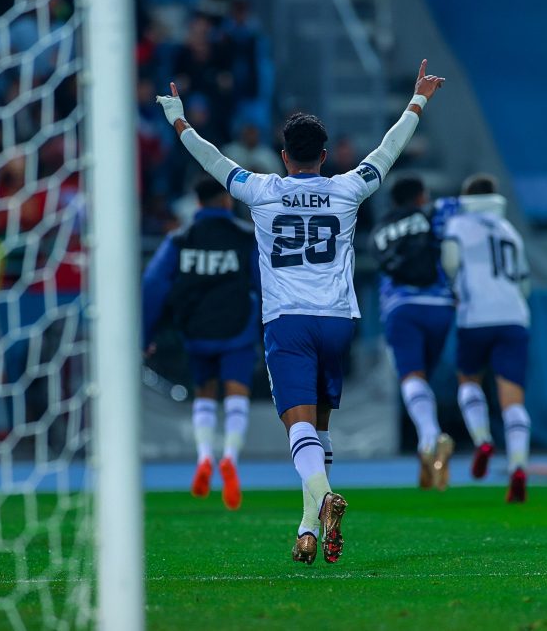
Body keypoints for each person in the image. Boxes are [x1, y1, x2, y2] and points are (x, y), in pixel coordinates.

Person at [157, 59, 444, 565]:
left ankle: (326, 497)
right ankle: (308, 528)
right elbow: (389, 150)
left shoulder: (263, 191)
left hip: (288, 322)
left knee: (299, 429)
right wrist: (417, 99)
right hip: (337, 321)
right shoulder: (348, 188)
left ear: (285, 156)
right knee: (321, 429)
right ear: (326, 156)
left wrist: (180, 120)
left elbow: (213, 161)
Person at [142, 175, 261, 511]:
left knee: (204, 394)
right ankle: (231, 459)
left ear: (197, 204)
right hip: (237, 329)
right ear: (227, 201)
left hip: (196, 332)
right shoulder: (245, 237)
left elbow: (152, 286)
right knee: (236, 393)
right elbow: (265, 283)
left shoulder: (180, 239)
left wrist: (145, 336)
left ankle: (205, 456)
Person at [440, 174, 532, 503]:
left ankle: (482, 439)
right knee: (513, 399)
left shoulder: (459, 225)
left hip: (476, 315)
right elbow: (524, 283)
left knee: (468, 381)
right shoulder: (510, 231)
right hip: (513, 317)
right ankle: (518, 465)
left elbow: (450, 264)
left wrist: (454, 289)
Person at [371, 176, 455, 490]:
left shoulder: (379, 230)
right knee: (425, 380)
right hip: (440, 306)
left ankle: (429, 441)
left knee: (411, 377)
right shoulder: (434, 213)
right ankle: (429, 450)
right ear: (421, 196)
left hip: (400, 306)